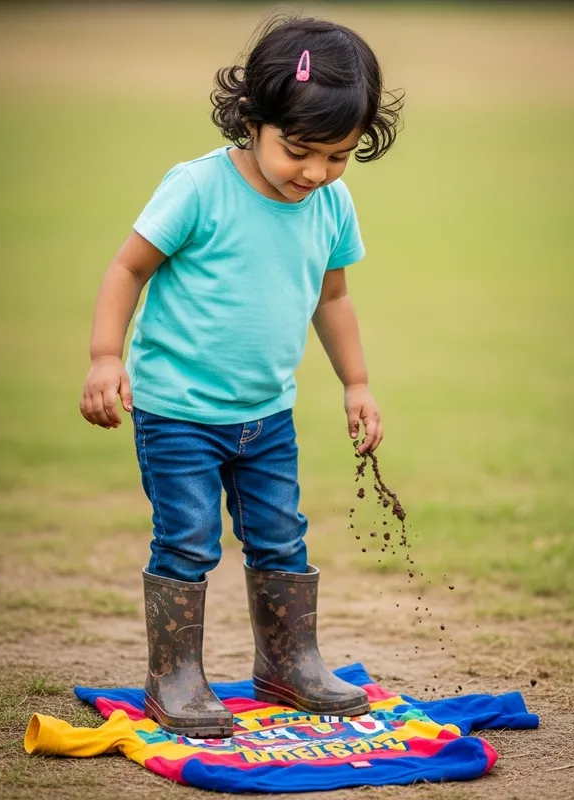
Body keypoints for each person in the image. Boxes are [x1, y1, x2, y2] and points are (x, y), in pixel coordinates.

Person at [80, 14, 403, 739]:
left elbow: (333, 296)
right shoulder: (198, 189)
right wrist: (107, 356)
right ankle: (175, 677)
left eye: (340, 156)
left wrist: (357, 382)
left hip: (267, 415)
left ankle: (289, 662)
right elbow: (128, 267)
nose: (316, 172)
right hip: (177, 412)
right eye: (299, 150)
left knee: (282, 537)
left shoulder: (329, 204)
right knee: (190, 539)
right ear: (252, 117)